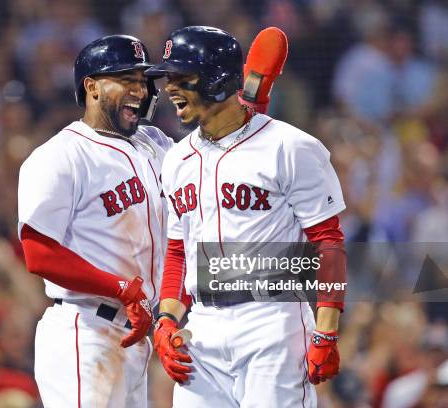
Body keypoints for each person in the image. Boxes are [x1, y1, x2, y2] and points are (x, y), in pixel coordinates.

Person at [146, 26, 347, 407]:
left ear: (219, 80)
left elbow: (328, 242)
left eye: (181, 78)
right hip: (202, 328)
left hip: (271, 322)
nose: (169, 88)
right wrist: (167, 321)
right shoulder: (176, 159)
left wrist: (326, 332)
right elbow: (178, 252)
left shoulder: (290, 147)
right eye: (167, 78)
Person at [17, 35, 172, 407]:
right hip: (85, 330)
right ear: (92, 87)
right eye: (126, 79)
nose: (139, 90)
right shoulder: (61, 155)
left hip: (136, 337)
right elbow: (39, 253)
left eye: (142, 81)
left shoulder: (157, 145)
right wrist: (119, 288)